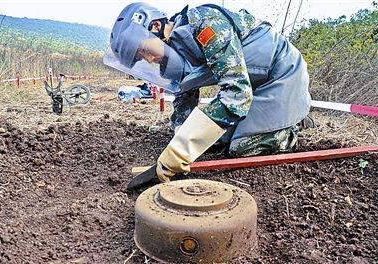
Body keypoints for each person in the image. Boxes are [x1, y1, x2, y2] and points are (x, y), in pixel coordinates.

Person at [104, 3, 312, 185]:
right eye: (141, 58)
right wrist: (180, 138)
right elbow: (184, 98)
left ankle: (290, 128)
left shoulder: (206, 24)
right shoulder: (176, 51)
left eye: (143, 50)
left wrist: (182, 150)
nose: (148, 59)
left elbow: (237, 95)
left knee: (241, 148)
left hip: (281, 73)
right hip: (253, 82)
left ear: (155, 26)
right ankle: (274, 121)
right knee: (215, 140)